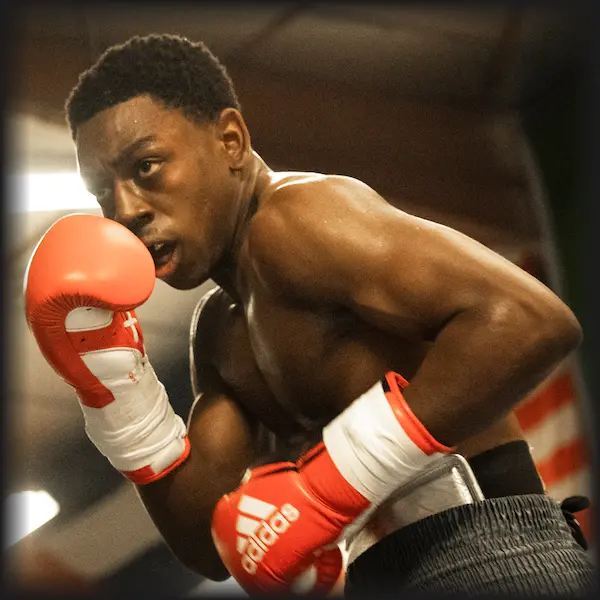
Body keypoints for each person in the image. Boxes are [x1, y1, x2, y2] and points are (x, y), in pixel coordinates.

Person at [24, 33, 595, 596]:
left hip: (486, 550)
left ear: (229, 140)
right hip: (384, 572)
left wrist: (328, 486)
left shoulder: (302, 217)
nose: (125, 210)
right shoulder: (219, 331)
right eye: (104, 194)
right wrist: (120, 400)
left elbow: (530, 320)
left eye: (146, 166)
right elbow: (208, 544)